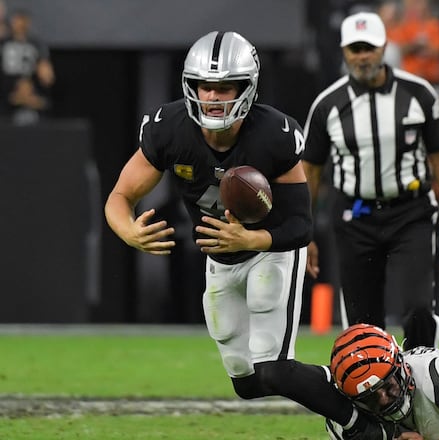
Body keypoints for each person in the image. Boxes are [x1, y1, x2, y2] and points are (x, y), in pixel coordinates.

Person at [104, 31, 383, 439]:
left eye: (225, 87)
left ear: (247, 88)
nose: (214, 97)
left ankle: (362, 425)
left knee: (275, 368)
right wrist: (127, 230)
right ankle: (339, 384)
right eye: (206, 86)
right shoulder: (169, 128)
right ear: (190, 86)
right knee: (248, 382)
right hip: (220, 255)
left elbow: (301, 226)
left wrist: (252, 240)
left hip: (270, 250)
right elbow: (120, 194)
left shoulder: (274, 133)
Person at [302, 12, 439, 351]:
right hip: (354, 216)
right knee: (363, 325)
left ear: (384, 48)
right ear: (344, 51)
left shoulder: (418, 94)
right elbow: (310, 170)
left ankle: (421, 384)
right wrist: (305, 233)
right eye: (355, 49)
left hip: (410, 212)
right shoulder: (327, 105)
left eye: (369, 48)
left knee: (419, 309)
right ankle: (373, 398)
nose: (362, 56)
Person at [0, 9, 55, 116]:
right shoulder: (4, 43)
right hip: (6, 87)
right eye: (17, 20)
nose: (20, 24)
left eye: (23, 20)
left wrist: (44, 73)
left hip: (30, 84)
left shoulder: (36, 44)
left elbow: (46, 72)